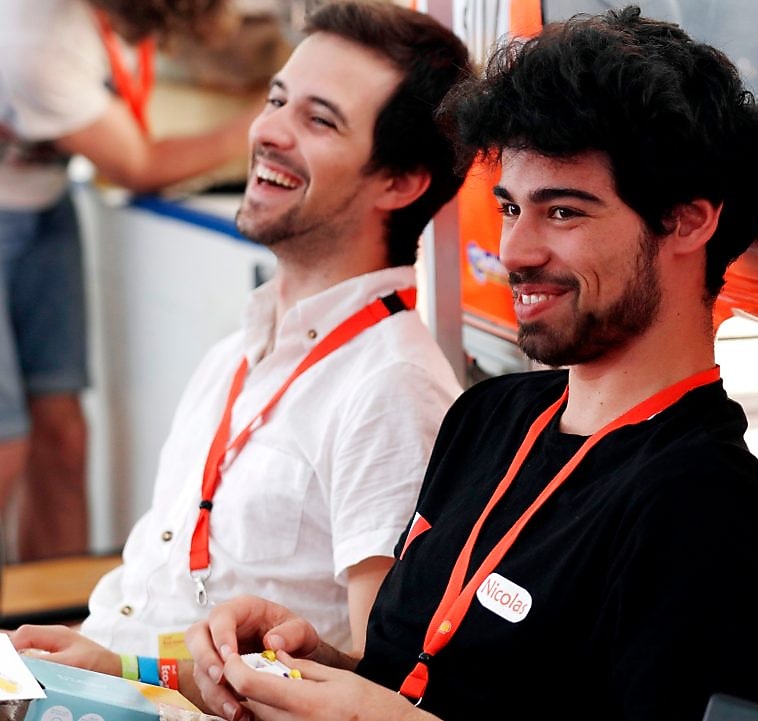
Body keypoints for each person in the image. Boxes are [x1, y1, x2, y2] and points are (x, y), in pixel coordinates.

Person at [183, 7, 758, 721]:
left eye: (563, 213)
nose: (515, 251)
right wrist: (311, 667)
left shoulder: (699, 500)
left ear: (687, 220)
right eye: (510, 208)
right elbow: (420, 684)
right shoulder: (488, 415)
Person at [11, 0, 469, 684]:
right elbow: (147, 604)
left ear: (399, 183)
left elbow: (374, 687)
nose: (268, 131)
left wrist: (123, 669)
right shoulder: (236, 353)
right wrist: (66, 660)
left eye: (319, 120)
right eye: (276, 100)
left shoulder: (393, 388)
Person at [0, 0, 256, 562]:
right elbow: (136, 164)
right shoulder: (34, 40)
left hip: (44, 205)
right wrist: (267, 121)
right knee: (5, 449)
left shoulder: (85, 21)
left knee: (64, 437)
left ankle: (60, 608)